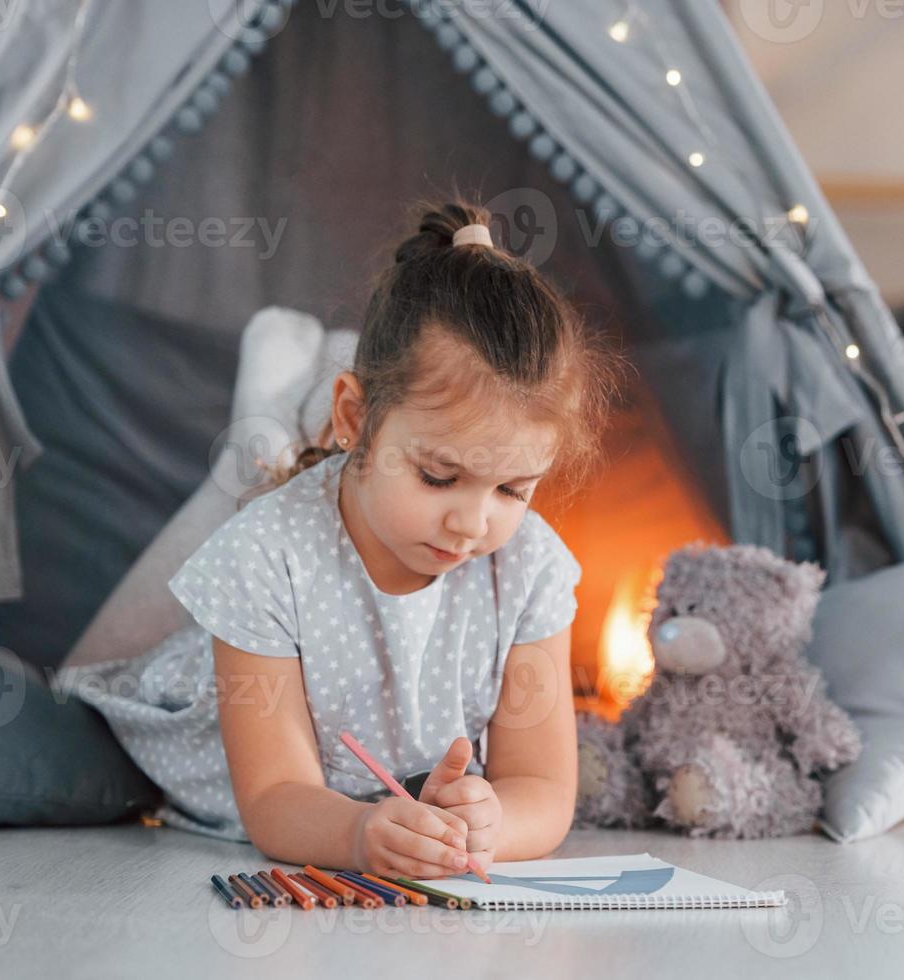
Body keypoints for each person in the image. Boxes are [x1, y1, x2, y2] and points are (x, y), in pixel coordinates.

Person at [63, 199, 627, 878]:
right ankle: (263, 429)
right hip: (224, 756)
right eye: (439, 476)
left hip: (384, 797)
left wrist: (489, 825)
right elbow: (274, 798)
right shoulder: (267, 554)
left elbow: (543, 790)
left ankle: (276, 421)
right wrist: (361, 835)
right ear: (354, 418)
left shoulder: (528, 566)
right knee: (227, 513)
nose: (473, 524)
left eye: (513, 489)